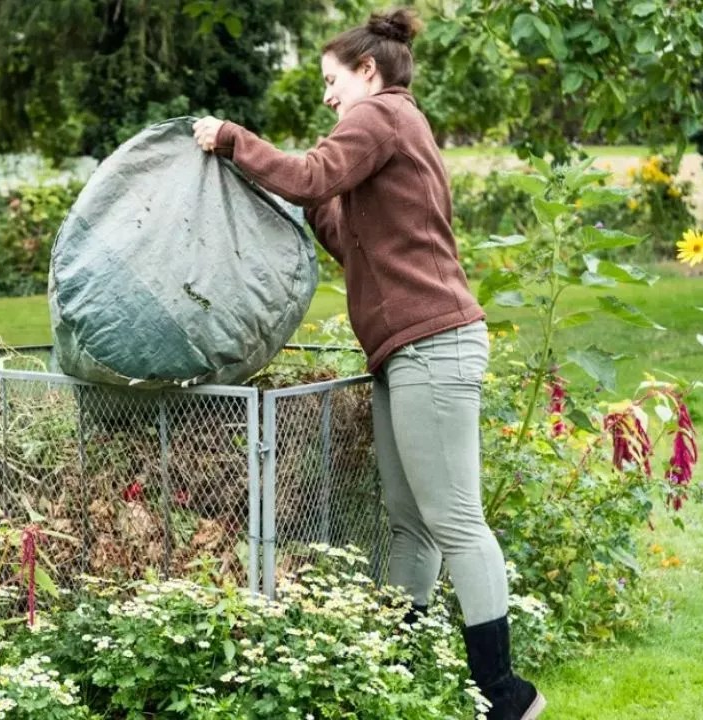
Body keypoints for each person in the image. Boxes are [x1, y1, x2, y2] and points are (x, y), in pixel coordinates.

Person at [193, 8, 544, 720]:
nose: (327, 96)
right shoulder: (389, 131)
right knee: (408, 523)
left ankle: (506, 696)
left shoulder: (381, 116)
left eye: (331, 81)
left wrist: (232, 140)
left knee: (455, 522)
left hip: (433, 346)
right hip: (405, 350)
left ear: (369, 71)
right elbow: (342, 226)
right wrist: (279, 195)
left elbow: (313, 171)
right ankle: (408, 662)